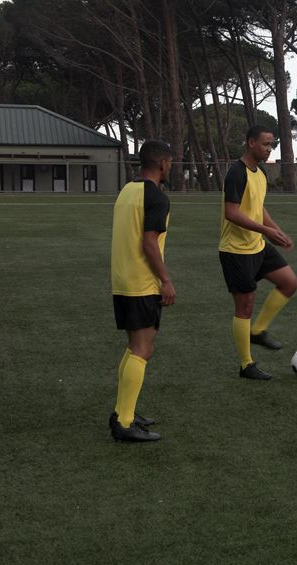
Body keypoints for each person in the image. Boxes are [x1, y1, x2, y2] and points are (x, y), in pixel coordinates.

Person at [109, 140, 176, 443]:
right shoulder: (157, 197)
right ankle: (124, 423)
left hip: (122, 280)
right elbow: (149, 243)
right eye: (169, 163)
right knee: (142, 349)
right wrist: (165, 280)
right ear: (162, 164)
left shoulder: (127, 190)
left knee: (134, 347)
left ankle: (123, 411)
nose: (170, 167)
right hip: (141, 282)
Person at [220, 125, 297, 380]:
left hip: (258, 246)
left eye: (271, 144)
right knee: (245, 306)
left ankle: (258, 331)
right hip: (236, 250)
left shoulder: (261, 172)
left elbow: (258, 207)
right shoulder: (236, 173)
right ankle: (246, 365)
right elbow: (231, 213)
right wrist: (266, 231)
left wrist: (276, 231)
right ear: (251, 142)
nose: (269, 149)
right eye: (265, 144)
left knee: (289, 282)